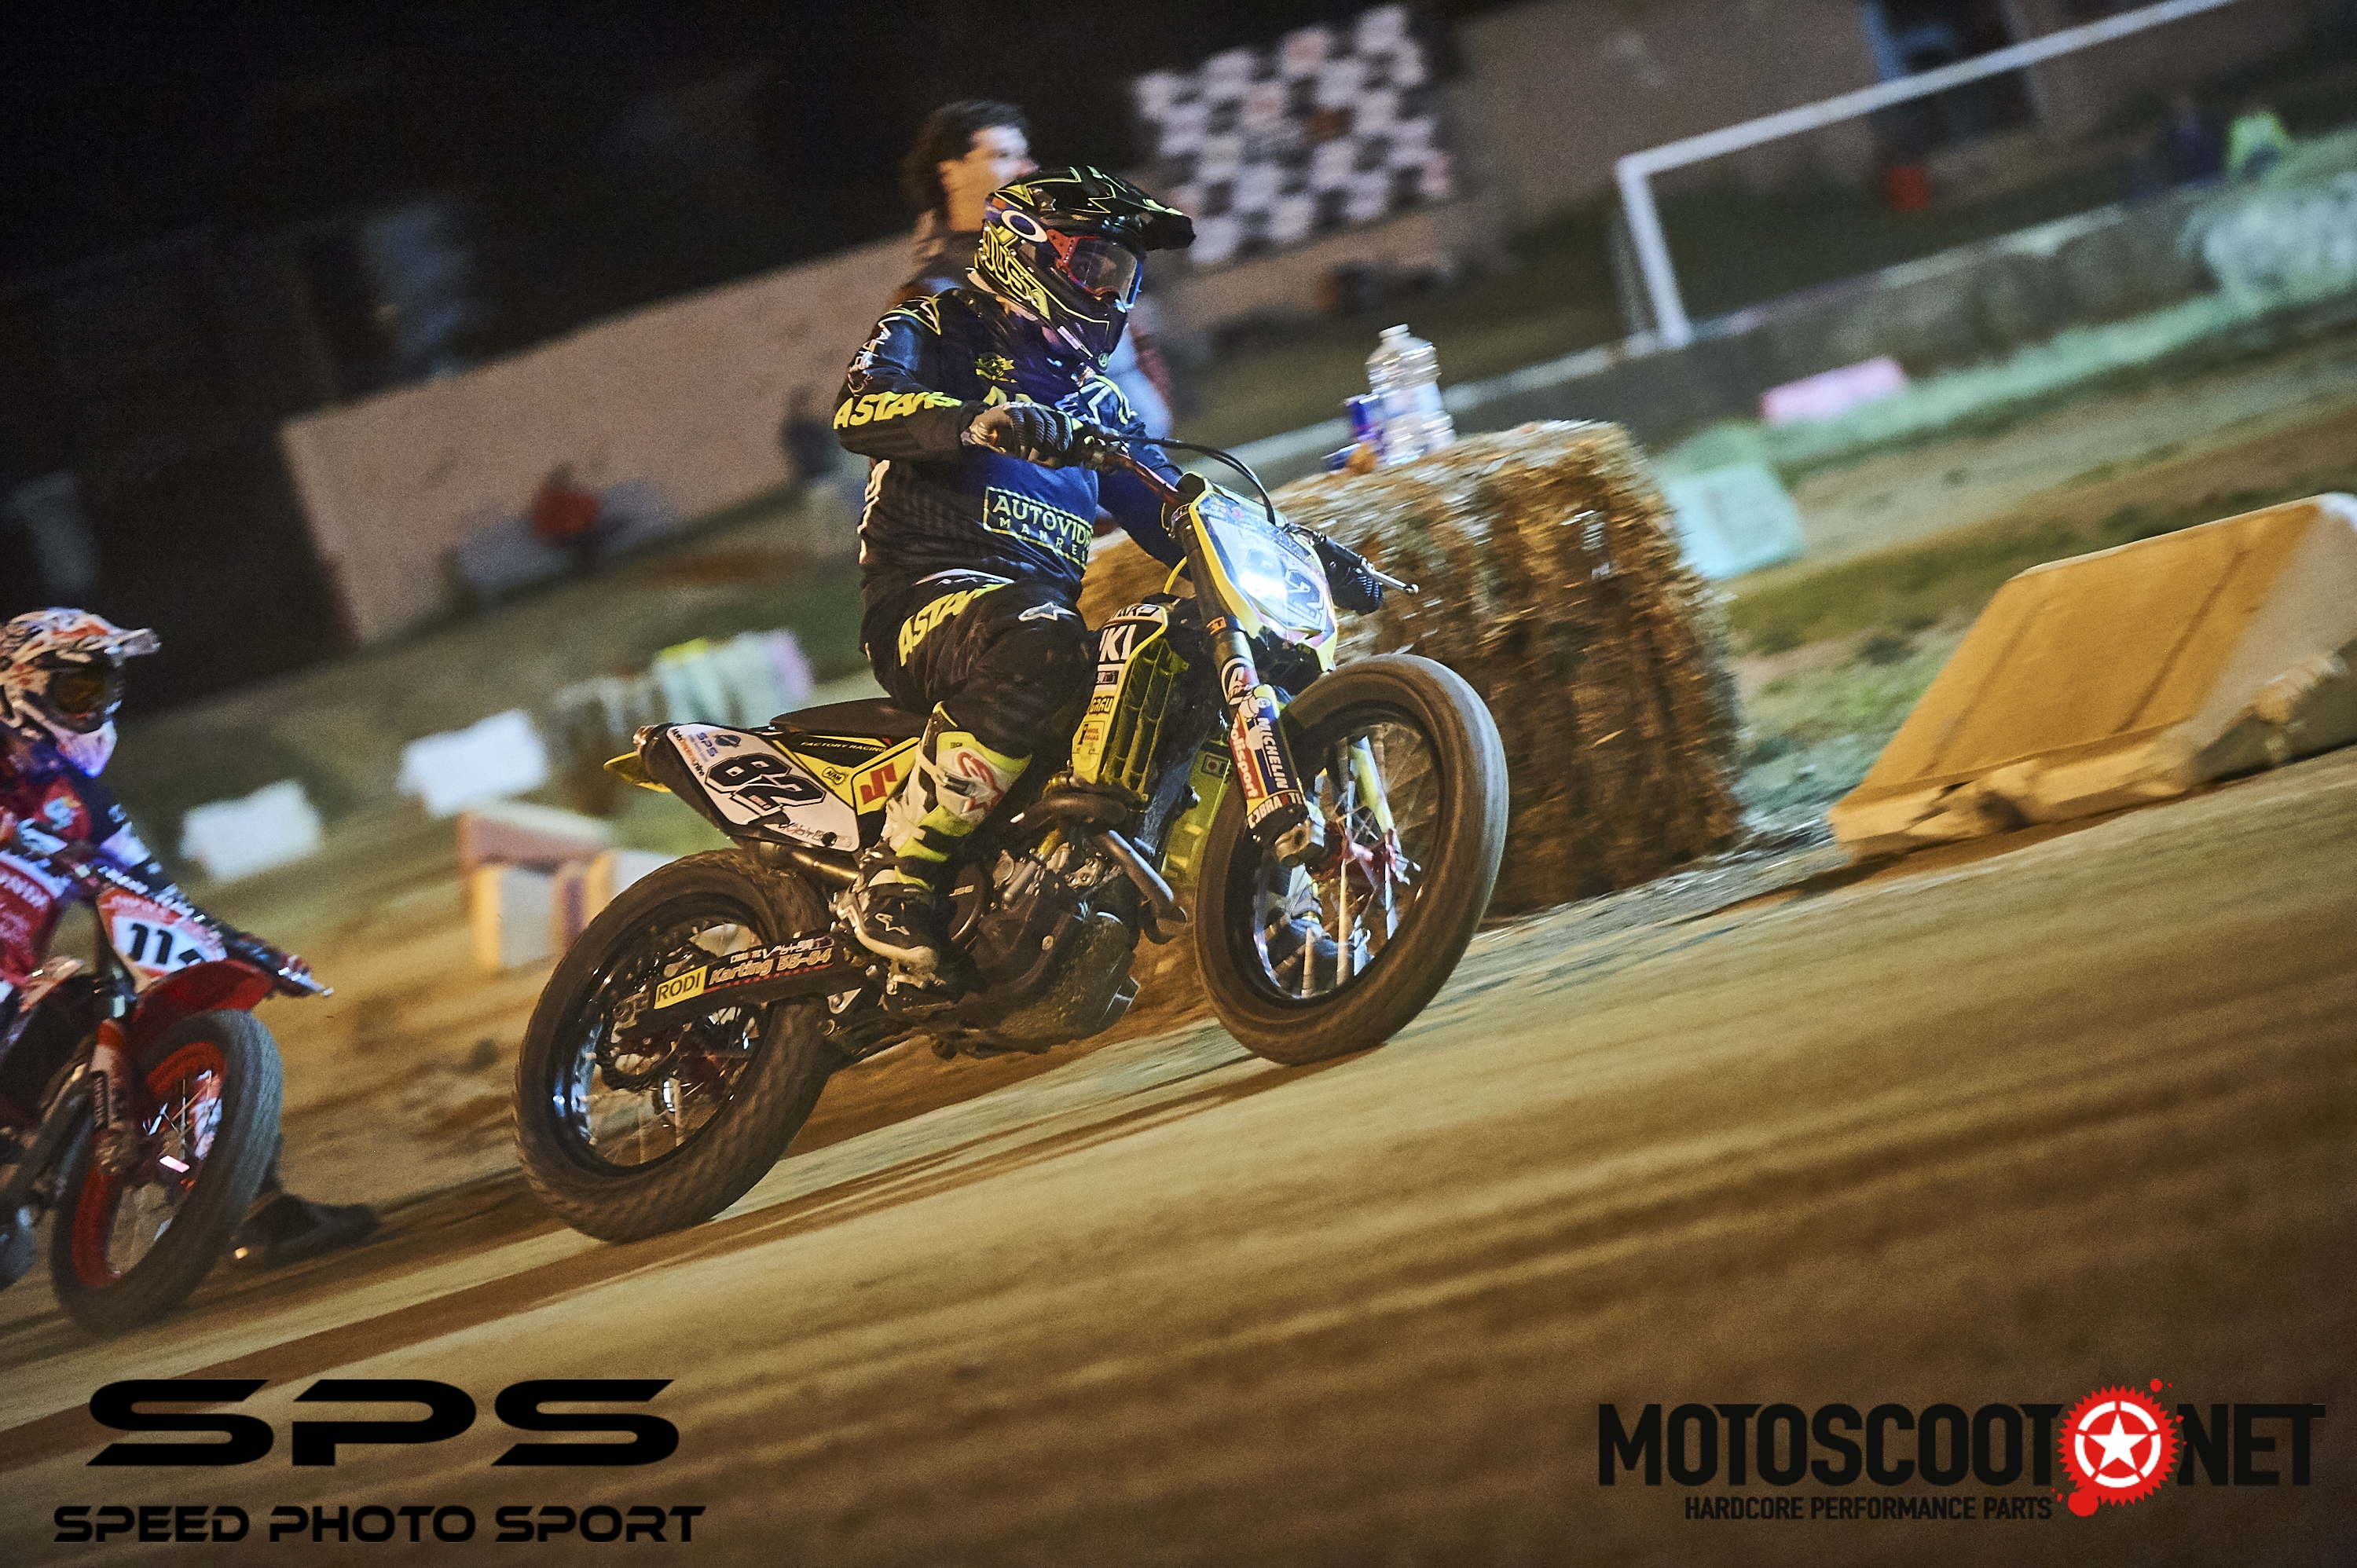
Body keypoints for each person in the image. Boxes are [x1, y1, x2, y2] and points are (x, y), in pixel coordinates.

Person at [831, 168, 1194, 985]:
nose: (1110, 291)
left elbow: (1173, 510)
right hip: (926, 600)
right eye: (1094, 265)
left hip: (1025, 616)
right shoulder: (936, 325)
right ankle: (893, 874)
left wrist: (1301, 547)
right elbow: (858, 409)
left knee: (1160, 659)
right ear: (1026, 251)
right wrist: (976, 422)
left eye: (1123, 275)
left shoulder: (1098, 403)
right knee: (1047, 638)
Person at [0, 609, 377, 1269]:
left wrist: (242, 946)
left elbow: (151, 890)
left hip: (17, 1001)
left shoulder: (79, 800)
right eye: (77, 691)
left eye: (102, 691)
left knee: (154, 1024)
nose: (92, 709)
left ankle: (247, 1202)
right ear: (19, 692)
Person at [895, 101, 1178, 435]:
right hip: (1059, 460)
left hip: (1143, 442)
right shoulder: (934, 290)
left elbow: (1129, 339)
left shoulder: (1064, 244)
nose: (1025, 169)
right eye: (1002, 155)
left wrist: (1151, 395)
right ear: (950, 175)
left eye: (1025, 155)